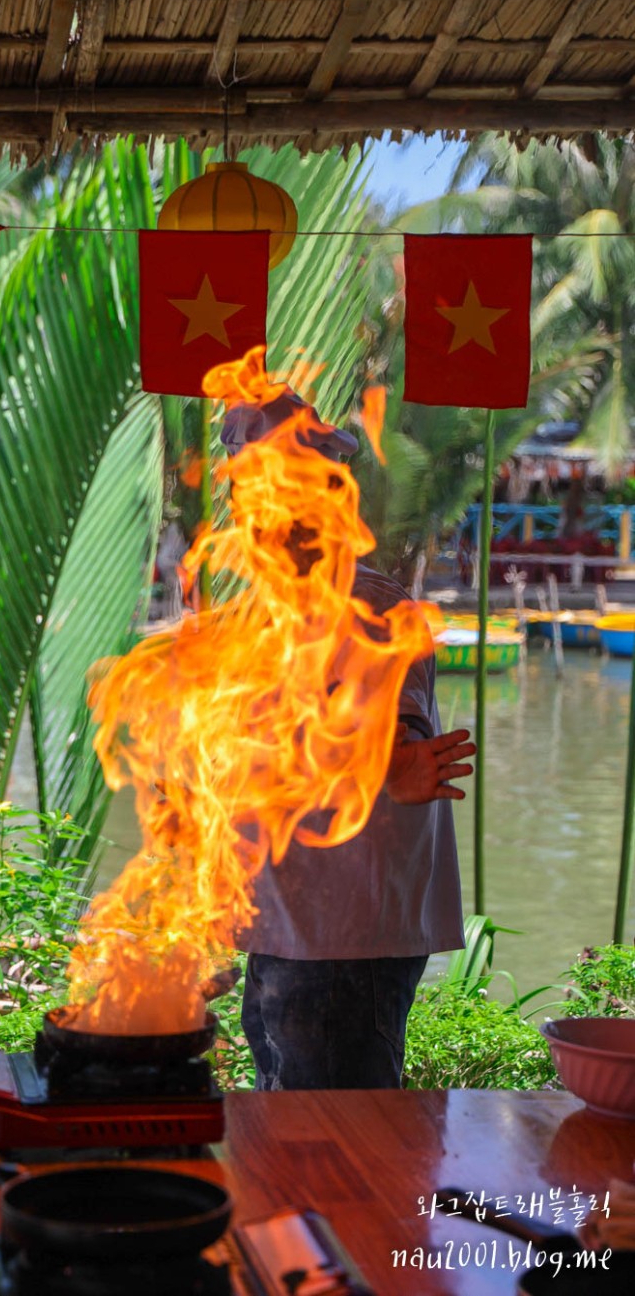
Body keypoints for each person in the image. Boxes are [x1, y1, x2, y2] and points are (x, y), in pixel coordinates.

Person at [220, 388, 475, 1091]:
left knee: (336, 1150)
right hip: (289, 925)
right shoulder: (267, 614)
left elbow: (396, 730)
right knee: (289, 1139)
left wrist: (389, 767)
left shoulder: (373, 609)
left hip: (344, 935)